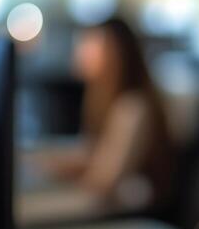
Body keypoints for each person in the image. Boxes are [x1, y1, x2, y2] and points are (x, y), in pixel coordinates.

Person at [39, 18, 174, 217]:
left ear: (115, 53)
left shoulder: (132, 107)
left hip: (139, 213)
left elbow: (104, 181)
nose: (80, 52)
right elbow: (93, 154)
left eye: (90, 45)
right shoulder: (101, 98)